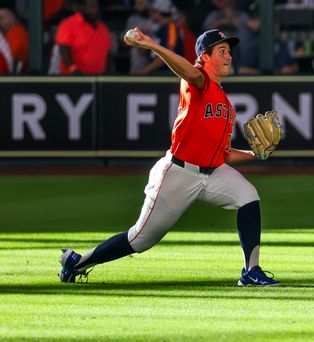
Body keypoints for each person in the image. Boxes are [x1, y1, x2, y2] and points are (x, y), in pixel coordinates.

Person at [58, 28, 280, 287]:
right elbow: (187, 70)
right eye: (221, 51)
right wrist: (151, 44)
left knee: (248, 196)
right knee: (140, 240)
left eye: (229, 51)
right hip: (179, 173)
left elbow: (223, 155)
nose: (229, 56)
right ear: (203, 57)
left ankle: (251, 272)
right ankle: (77, 262)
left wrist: (256, 154)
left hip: (213, 172)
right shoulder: (197, 81)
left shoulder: (226, 105)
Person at [235, 4, 297, 75]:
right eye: (253, 18)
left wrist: (286, 70)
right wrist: (267, 73)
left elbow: (294, 65)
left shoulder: (278, 42)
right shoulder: (249, 40)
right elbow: (242, 70)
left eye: (257, 17)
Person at [54, 0, 112, 75]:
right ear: (81, 8)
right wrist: (73, 70)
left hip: (99, 79)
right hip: (74, 79)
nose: (95, 9)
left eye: (96, 6)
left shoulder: (103, 28)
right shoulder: (68, 25)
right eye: (91, 6)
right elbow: (64, 51)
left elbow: (108, 54)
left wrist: (107, 75)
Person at [136, 0, 184, 75]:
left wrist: (144, 71)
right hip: (155, 72)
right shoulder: (157, 28)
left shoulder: (172, 28)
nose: (150, 13)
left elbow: (168, 54)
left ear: (160, 12)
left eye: (153, 11)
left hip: (168, 74)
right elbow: (143, 51)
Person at [0, 7, 27, 73]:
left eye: (1, 18)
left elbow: (10, 58)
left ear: (12, 18)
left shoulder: (18, 34)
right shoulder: (7, 34)